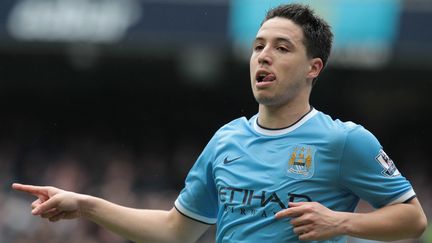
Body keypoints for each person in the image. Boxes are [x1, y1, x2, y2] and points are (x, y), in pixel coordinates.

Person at [12, 3, 427, 243]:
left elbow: (412, 220)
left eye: (281, 48)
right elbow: (177, 230)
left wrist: (341, 222)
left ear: (313, 67)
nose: (263, 56)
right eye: (258, 46)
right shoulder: (226, 140)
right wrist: (85, 204)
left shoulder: (345, 140)